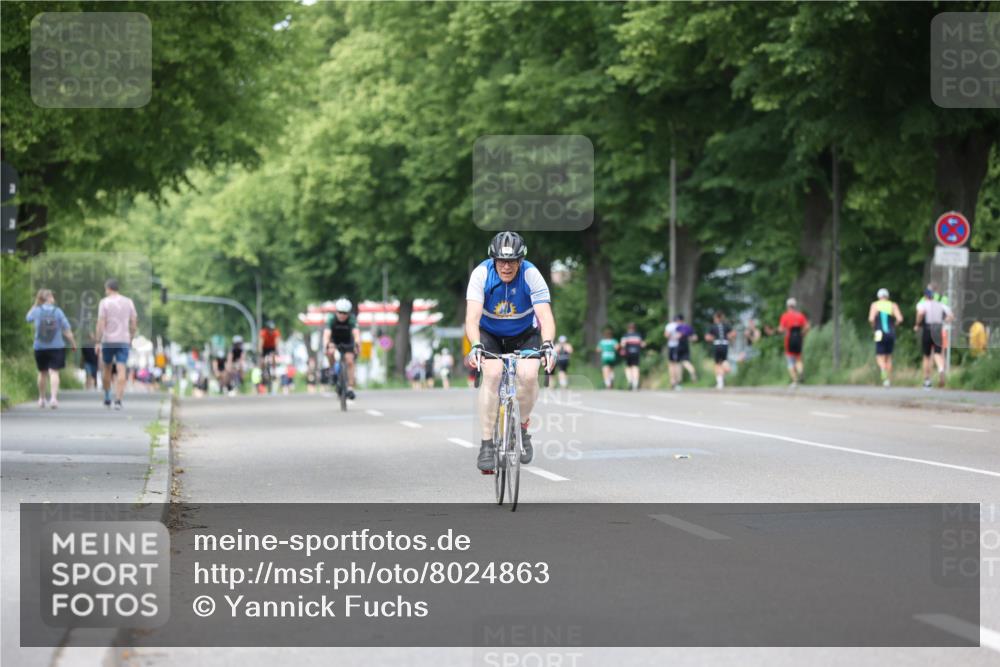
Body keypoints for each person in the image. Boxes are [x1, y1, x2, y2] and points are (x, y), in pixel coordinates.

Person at [465, 231, 556, 472]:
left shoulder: (531, 274)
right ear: (493, 260)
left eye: (512, 261)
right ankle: (487, 444)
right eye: (501, 261)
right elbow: (472, 318)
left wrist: (548, 344)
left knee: (528, 375)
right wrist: (476, 345)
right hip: (490, 335)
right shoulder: (481, 274)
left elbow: (545, 317)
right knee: (493, 374)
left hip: (524, 334)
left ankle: (522, 428)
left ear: (520, 260)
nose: (506, 266)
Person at [25, 289, 77, 409]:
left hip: (39, 346)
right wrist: (73, 343)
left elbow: (28, 318)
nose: (53, 298)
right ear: (48, 298)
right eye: (52, 296)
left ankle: (42, 399)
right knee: (54, 372)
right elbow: (67, 329)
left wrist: (35, 304)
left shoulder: (37, 311)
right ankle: (53, 398)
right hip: (56, 346)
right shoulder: (58, 311)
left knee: (42, 372)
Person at [96, 279, 137, 410]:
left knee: (107, 368)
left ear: (108, 289)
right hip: (124, 340)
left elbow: (101, 322)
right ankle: (118, 400)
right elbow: (134, 321)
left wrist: (97, 341)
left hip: (108, 340)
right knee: (121, 368)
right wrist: (131, 336)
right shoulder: (128, 301)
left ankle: (108, 396)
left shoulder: (104, 302)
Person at [915, 288, 954, 389]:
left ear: (925, 296)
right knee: (937, 353)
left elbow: (920, 313)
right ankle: (941, 369)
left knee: (926, 356)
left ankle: (927, 381)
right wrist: (944, 321)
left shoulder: (922, 304)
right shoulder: (941, 305)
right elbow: (951, 316)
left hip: (927, 330)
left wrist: (917, 324)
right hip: (938, 330)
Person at [323, 298, 361, 399]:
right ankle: (332, 370)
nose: (342, 315)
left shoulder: (352, 319)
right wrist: (327, 345)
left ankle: (350, 388)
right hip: (334, 340)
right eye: (340, 312)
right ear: (336, 311)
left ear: (348, 313)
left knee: (350, 361)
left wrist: (357, 344)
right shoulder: (331, 318)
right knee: (330, 352)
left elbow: (356, 333)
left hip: (348, 341)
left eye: (345, 313)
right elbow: (327, 334)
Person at [868, 288, 903, 387]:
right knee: (888, 357)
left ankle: (883, 370)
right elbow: (900, 319)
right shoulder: (893, 305)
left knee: (879, 356)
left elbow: (871, 319)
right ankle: (887, 381)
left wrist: (874, 327)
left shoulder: (875, 305)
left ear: (879, 296)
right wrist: (894, 325)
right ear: (887, 296)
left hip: (879, 333)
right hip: (890, 333)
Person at [778, 297, 809, 387]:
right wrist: (803, 334)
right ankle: (800, 371)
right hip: (799, 338)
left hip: (789, 340)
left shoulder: (785, 316)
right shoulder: (800, 315)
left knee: (790, 361)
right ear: (795, 306)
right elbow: (807, 326)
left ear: (787, 306)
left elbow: (781, 329)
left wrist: (781, 330)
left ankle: (795, 381)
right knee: (798, 358)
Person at [664, 314, 697, 390]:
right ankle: (691, 371)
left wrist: (673, 337)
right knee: (685, 362)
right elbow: (694, 337)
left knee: (674, 364)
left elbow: (667, 335)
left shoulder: (673, 326)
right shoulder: (687, 327)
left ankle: (674, 382)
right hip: (686, 345)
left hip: (675, 346)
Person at [704, 311, 736, 389]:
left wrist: (712, 338)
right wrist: (729, 337)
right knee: (724, 360)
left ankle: (720, 382)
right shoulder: (726, 326)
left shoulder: (713, 326)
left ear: (716, 318)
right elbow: (734, 333)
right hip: (725, 345)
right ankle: (724, 375)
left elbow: (707, 337)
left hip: (717, 345)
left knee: (717, 364)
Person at [619, 322, 646, 391]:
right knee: (635, 367)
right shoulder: (638, 335)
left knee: (628, 368)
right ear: (635, 328)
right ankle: (635, 383)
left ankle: (630, 381)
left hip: (628, 353)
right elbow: (643, 345)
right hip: (636, 353)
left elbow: (622, 345)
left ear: (628, 328)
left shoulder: (625, 335)